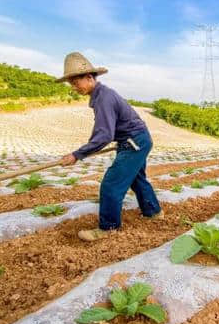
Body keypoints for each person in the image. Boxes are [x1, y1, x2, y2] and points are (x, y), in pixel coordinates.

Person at [57, 52, 163, 241]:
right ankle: (153, 212)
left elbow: (104, 135)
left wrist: (77, 154)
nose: (74, 87)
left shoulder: (103, 98)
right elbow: (106, 131)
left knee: (111, 183)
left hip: (134, 142)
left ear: (89, 77)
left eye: (75, 82)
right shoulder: (101, 95)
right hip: (137, 139)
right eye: (71, 84)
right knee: (137, 179)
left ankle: (108, 227)